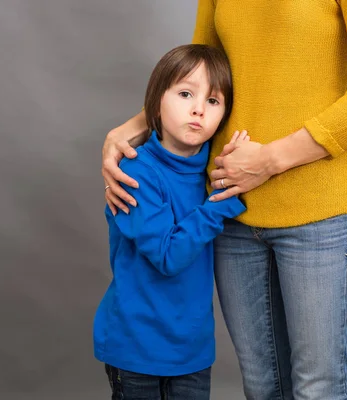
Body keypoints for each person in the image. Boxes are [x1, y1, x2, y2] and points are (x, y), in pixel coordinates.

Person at [101, 1, 347, 398]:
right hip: (231, 211)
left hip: (317, 211)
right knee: (263, 386)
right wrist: (129, 129)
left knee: (318, 388)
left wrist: (270, 160)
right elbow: (199, 71)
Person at [93, 44, 247, 400]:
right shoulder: (135, 171)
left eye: (213, 101)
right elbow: (168, 255)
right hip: (136, 346)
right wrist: (220, 203)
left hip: (190, 350)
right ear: (155, 102)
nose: (198, 109)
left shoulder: (212, 170)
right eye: (185, 93)